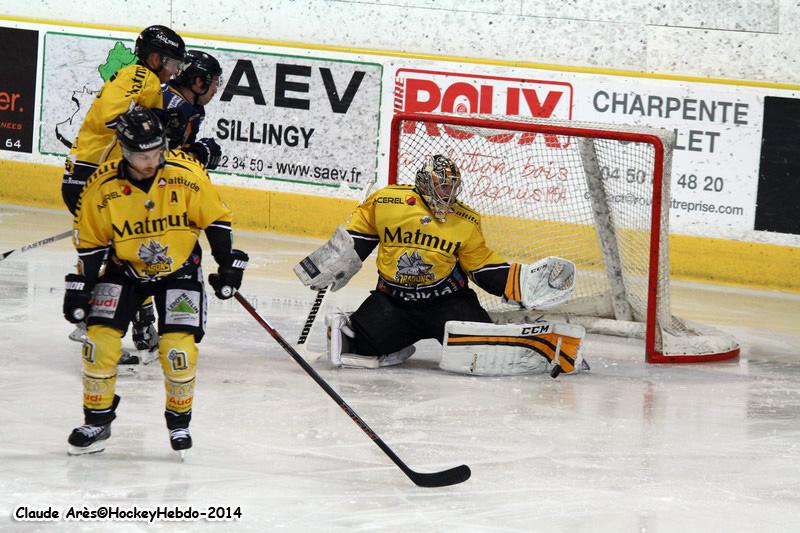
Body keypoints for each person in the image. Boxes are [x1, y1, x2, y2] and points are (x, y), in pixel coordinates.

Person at [63, 107, 248, 456]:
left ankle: (179, 422)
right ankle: (97, 420)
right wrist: (80, 287)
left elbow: (215, 219)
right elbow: (91, 245)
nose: (151, 162)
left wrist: (227, 263)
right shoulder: (101, 187)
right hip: (124, 270)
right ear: (125, 151)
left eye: (156, 152)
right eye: (142, 156)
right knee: (99, 343)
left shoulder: (186, 174)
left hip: (179, 269)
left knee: (178, 349)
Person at [294, 154, 585, 377]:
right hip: (393, 303)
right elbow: (359, 236)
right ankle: (393, 341)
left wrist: (520, 283)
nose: (448, 193)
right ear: (425, 182)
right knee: (361, 346)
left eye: (452, 186)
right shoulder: (386, 202)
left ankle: (541, 344)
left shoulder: (465, 220)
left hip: (448, 303)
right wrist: (331, 261)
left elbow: (482, 267)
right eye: (442, 185)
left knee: (484, 351)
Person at [62, 25, 186, 354]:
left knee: (126, 253)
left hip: (90, 175)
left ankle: (126, 326)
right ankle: (93, 327)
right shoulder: (140, 75)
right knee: (114, 257)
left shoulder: (145, 80)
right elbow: (110, 115)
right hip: (92, 177)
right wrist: (155, 117)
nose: (175, 72)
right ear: (156, 59)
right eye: (173, 63)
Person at [162, 49, 223, 170]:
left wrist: (194, 152)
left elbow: (179, 150)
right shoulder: (173, 106)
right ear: (199, 82)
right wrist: (196, 155)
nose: (215, 90)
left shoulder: (195, 109)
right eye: (215, 82)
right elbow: (161, 159)